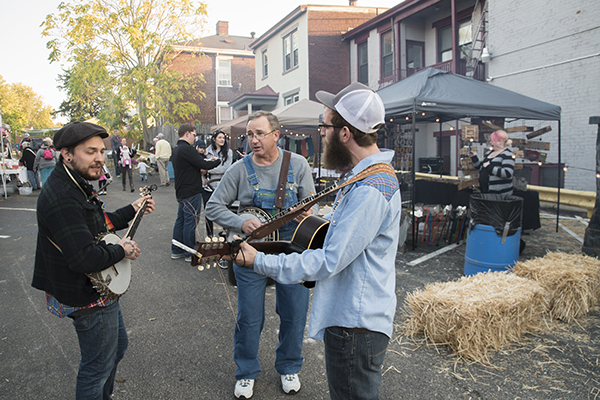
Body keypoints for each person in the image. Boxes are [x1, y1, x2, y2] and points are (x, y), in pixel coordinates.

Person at [224, 83, 401, 400]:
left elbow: (329, 260)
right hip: (353, 319)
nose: (322, 133)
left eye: (325, 126)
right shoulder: (367, 176)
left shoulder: (371, 187)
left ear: (345, 133)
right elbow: (348, 236)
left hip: (356, 324)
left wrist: (258, 260)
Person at [31, 121, 155, 400]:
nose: (99, 158)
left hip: (95, 289)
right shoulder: (63, 196)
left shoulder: (75, 183)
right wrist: (122, 251)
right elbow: (83, 257)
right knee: (96, 366)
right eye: (90, 151)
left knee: (117, 347)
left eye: (101, 150)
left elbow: (96, 224)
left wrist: (132, 210)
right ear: (67, 154)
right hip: (85, 292)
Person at [205, 110, 317, 399]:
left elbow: (311, 206)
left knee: (293, 314)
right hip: (249, 252)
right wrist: (240, 222)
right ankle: (246, 372)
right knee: (249, 317)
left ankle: (289, 366)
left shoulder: (299, 165)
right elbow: (214, 207)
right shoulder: (239, 169)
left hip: (291, 253)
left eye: (259, 134)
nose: (253, 140)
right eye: (249, 134)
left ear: (276, 135)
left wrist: (307, 212)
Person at [170, 124, 220, 262]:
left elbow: (194, 163)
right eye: (194, 134)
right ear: (187, 133)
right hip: (191, 191)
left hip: (181, 190)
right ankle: (188, 252)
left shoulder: (176, 149)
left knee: (181, 220)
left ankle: (176, 250)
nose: (195, 137)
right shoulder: (187, 149)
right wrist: (217, 162)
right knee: (190, 222)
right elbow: (203, 164)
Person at [203, 130, 233, 236]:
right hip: (208, 185)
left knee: (223, 210)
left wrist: (209, 169)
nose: (222, 140)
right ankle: (210, 235)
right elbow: (202, 166)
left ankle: (225, 233)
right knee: (208, 210)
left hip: (222, 185)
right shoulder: (206, 151)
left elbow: (226, 168)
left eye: (223, 138)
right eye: (220, 137)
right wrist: (206, 171)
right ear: (214, 139)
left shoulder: (229, 152)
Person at [471, 130, 515, 195]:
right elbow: (480, 168)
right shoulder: (488, 153)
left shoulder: (507, 155)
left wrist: (490, 167)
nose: (490, 142)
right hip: (485, 193)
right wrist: (474, 158)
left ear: (500, 141)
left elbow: (507, 173)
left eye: (492, 140)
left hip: (499, 195)